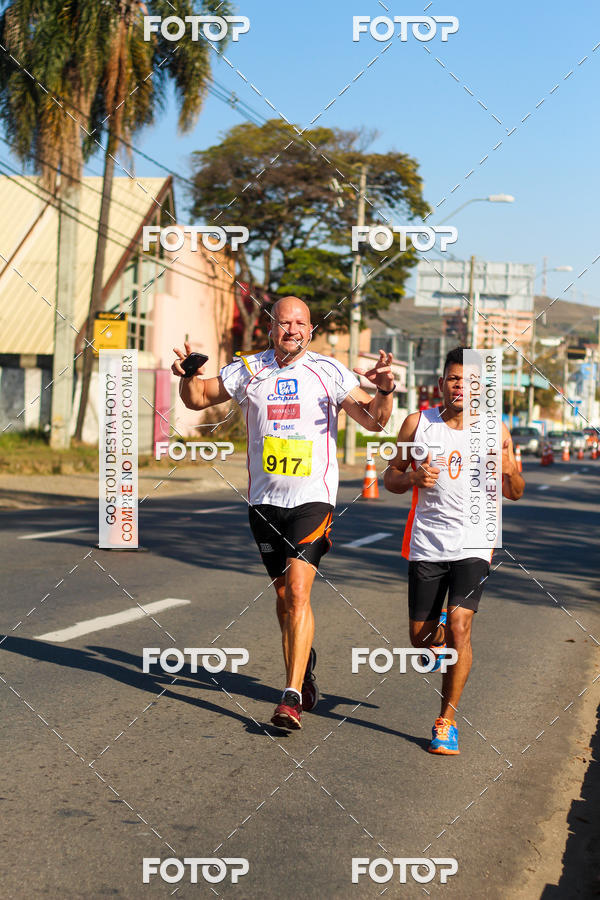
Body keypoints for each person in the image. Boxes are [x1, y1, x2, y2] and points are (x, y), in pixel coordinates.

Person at [172, 296, 395, 730]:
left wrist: (384, 391)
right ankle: (304, 670)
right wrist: (187, 374)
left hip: (313, 499)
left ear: (311, 330)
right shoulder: (248, 369)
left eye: (300, 323)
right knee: (284, 598)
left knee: (297, 592)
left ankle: (290, 696)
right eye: (284, 322)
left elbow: (374, 421)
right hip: (264, 503)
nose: (292, 329)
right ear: (271, 327)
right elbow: (197, 399)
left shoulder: (328, 371)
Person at [383, 347, 524, 755]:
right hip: (428, 542)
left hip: (476, 541)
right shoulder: (418, 424)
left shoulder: (496, 431)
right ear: (442, 383)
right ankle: (440, 631)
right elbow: (390, 476)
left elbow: (516, 492)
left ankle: (446, 720)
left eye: (470, 380)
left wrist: (510, 471)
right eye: (455, 378)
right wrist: (412, 478)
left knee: (462, 627)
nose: (461, 386)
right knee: (421, 638)